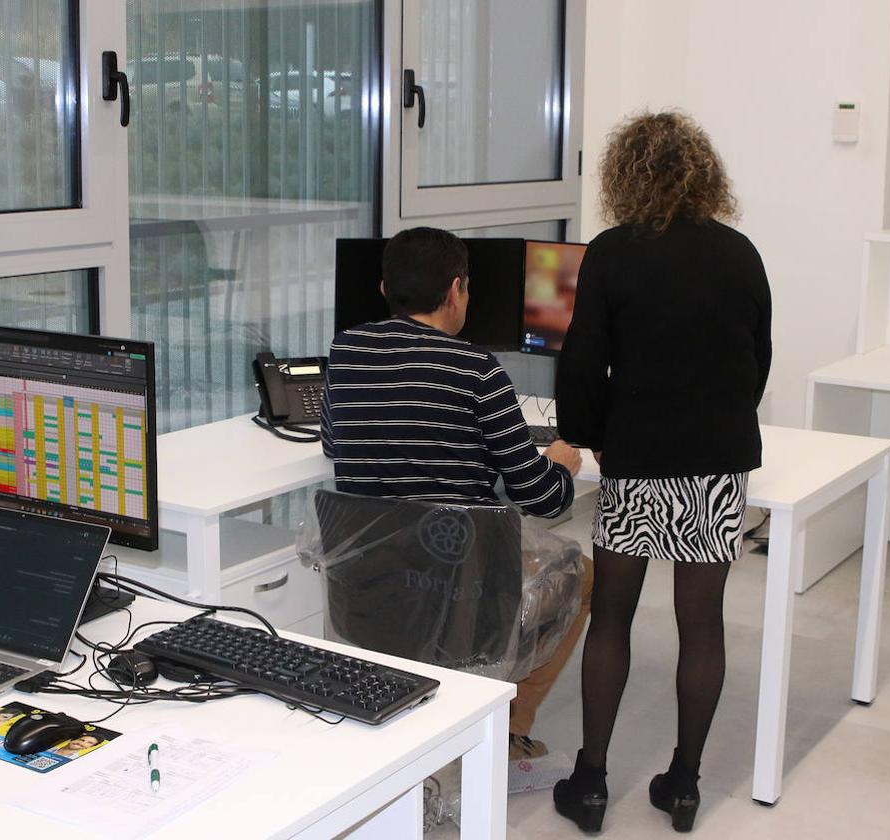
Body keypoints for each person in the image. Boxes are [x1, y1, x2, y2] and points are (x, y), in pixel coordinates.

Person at [552, 111, 772, 834]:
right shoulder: (740, 253)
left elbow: (582, 359)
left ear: (624, 175)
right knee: (701, 625)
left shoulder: (612, 252)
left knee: (610, 613)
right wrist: (722, 423)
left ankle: (589, 784)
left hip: (638, 457)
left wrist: (587, 435)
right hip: (716, 459)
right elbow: (757, 358)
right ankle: (683, 785)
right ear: (702, 172)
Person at [320, 226, 593, 760]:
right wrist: (558, 462)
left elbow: (333, 442)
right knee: (583, 576)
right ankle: (509, 729)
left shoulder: (346, 351)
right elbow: (540, 498)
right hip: (460, 594)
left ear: (382, 290)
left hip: (368, 589)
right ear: (454, 291)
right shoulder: (477, 371)